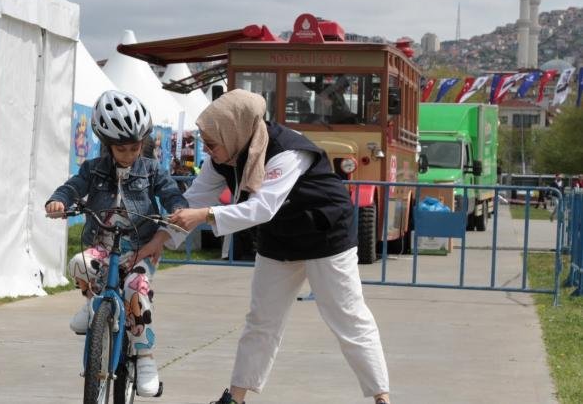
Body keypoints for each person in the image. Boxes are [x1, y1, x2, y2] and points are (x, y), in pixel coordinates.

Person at [168, 89, 391, 404]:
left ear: (234, 131)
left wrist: (205, 215)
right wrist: (157, 240)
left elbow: (262, 208)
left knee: (348, 317)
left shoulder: (287, 150)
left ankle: (382, 397)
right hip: (279, 238)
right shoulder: (225, 156)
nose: (208, 149)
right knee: (262, 320)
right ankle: (235, 398)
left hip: (325, 233)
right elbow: (192, 200)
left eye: (212, 143)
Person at [45, 90, 188, 397]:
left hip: (139, 247)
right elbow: (73, 187)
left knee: (136, 288)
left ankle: (146, 359)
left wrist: (177, 207)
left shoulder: (151, 171)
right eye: (121, 149)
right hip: (103, 243)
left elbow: (171, 192)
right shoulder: (93, 168)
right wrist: (59, 201)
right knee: (80, 263)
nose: (129, 154)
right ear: (106, 145)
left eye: (135, 147)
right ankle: (94, 304)